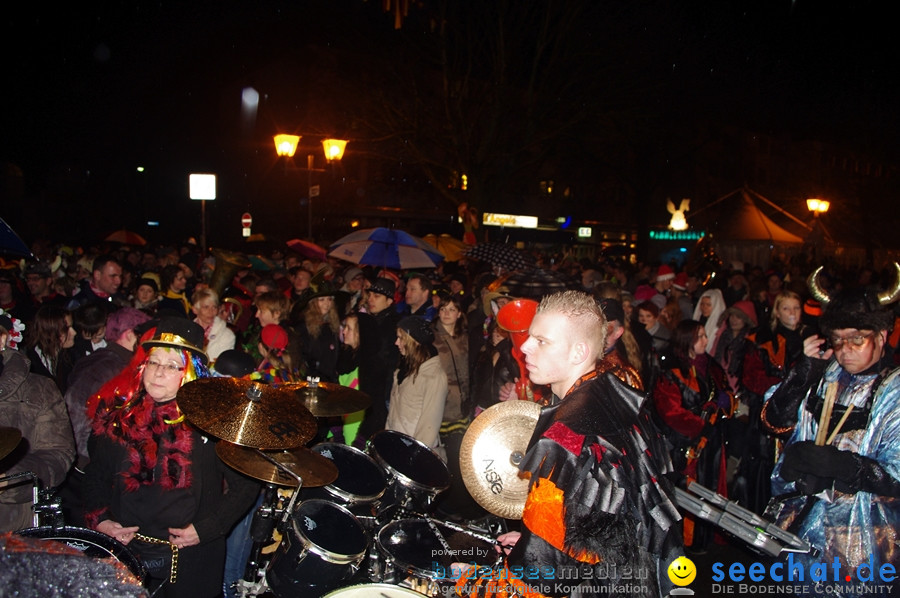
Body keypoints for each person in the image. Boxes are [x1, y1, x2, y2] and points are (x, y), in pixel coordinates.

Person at [460, 291, 680, 598]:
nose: (524, 347)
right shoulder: (621, 399)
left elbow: (540, 579)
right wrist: (532, 540)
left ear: (578, 352)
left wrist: (475, 581)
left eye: (541, 340)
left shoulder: (563, 440)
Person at [82, 317, 258, 597]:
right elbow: (95, 475)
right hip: (126, 553)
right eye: (153, 362)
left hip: (190, 558)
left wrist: (207, 528)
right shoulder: (120, 417)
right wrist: (101, 519)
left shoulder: (214, 424)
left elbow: (246, 486)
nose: (158, 372)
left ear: (189, 373)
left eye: (171, 365)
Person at [761, 277, 900, 593]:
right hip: (803, 534)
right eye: (837, 340)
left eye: (856, 340)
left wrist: (844, 468)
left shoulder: (895, 390)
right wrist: (801, 375)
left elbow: (896, 475)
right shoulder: (825, 375)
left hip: (865, 543)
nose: (845, 351)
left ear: (882, 335)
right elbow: (773, 424)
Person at [652, 319, 733, 551]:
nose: (706, 341)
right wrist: (700, 425)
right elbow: (669, 411)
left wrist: (724, 404)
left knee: (709, 489)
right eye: (700, 337)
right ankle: (683, 541)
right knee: (687, 494)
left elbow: (725, 392)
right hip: (684, 445)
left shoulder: (711, 366)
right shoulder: (672, 372)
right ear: (688, 340)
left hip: (710, 443)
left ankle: (703, 539)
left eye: (705, 336)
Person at [0, 312, 76, 532]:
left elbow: (58, 454)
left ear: (3, 339)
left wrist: (10, 480)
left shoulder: (38, 389)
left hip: (12, 532)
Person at [385, 316, 448, 456]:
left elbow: (429, 426)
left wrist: (414, 457)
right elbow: (393, 415)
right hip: (397, 448)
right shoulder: (403, 371)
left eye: (401, 338)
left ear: (414, 341)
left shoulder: (433, 376)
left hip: (415, 455)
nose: (396, 343)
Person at [355, 277, 401, 446]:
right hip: (369, 388)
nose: (371, 300)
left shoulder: (392, 324)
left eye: (377, 296)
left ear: (389, 301)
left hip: (381, 392)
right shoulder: (373, 319)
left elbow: (381, 359)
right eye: (370, 295)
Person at [24, 304, 76, 394]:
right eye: (66, 329)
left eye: (72, 327)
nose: (74, 332)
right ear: (50, 332)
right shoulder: (28, 362)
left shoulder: (74, 355)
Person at [191, 287, 235, 362]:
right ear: (195, 310)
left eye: (214, 307)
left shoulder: (228, 336)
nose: (211, 312)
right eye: (206, 307)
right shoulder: (186, 331)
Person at [692, 287, 726, 353]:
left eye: (708, 305)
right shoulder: (700, 320)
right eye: (702, 304)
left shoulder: (722, 325)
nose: (704, 308)